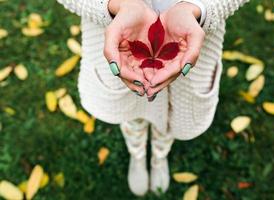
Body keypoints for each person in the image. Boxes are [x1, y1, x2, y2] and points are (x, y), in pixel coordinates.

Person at [57, 0, 249, 196]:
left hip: (188, 37)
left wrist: (198, 9)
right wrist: (114, 6)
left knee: (172, 116)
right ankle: (137, 153)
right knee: (132, 110)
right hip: (122, 36)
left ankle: (159, 155)